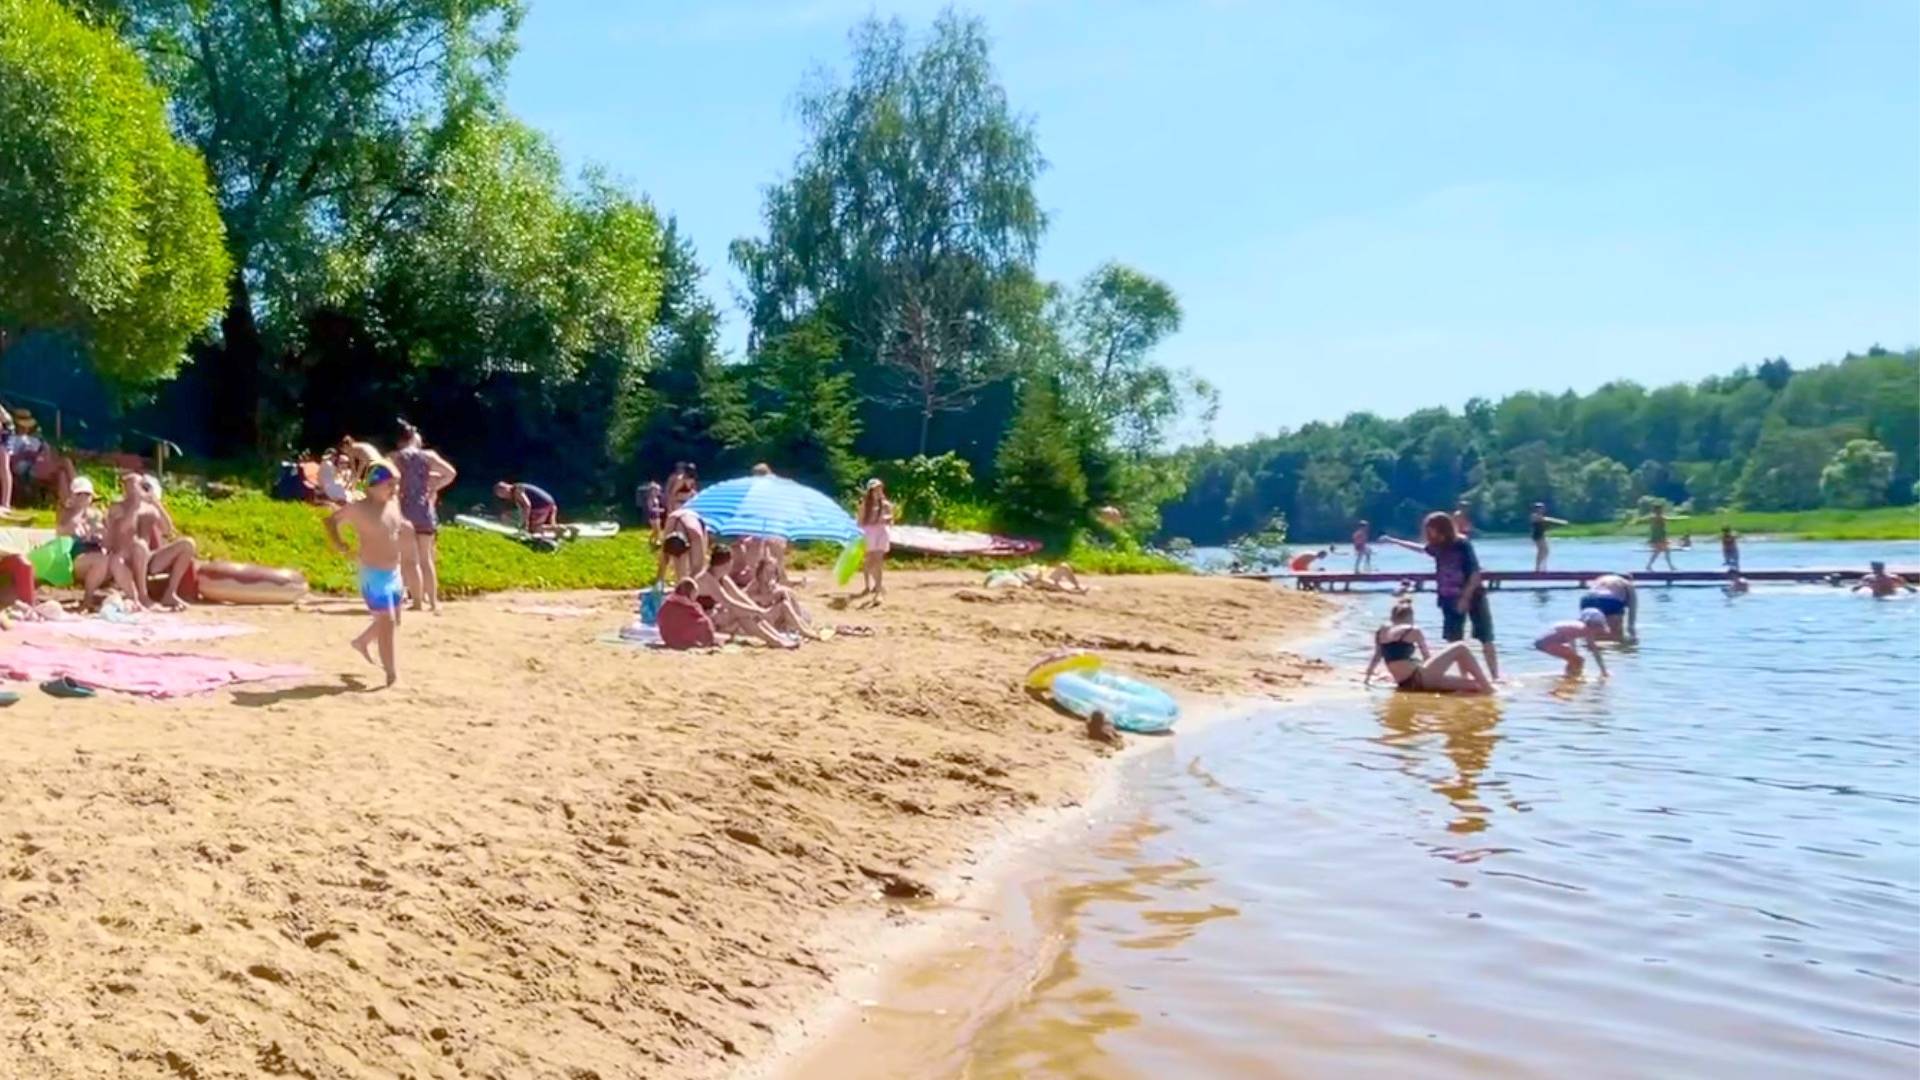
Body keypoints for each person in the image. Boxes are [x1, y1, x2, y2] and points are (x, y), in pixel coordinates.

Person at [1379, 511, 1498, 679]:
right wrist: (1393, 541)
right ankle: (1466, 678)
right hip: (1448, 598)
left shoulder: (1461, 544)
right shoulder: (1437, 547)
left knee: (1485, 636)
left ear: (1443, 528)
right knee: (1455, 641)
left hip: (1474, 596)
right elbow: (1420, 549)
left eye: (1431, 530)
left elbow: (1474, 574)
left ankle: (1495, 676)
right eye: (1427, 530)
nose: (1429, 534)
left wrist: (1465, 597)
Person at [326, 462, 409, 686]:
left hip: (394, 571)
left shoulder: (393, 503)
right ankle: (391, 674)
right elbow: (331, 520)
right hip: (373, 574)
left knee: (394, 619)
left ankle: (362, 642)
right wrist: (339, 542)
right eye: (389, 484)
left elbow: (394, 528)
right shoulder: (359, 509)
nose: (394, 489)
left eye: (397, 485)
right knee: (388, 622)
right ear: (372, 486)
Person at [1363, 597, 1494, 694]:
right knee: (1461, 647)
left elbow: (1377, 657)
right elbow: (1427, 657)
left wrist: (1367, 679)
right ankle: (1488, 688)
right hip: (1421, 678)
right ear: (1410, 616)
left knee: (1473, 686)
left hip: (1406, 684)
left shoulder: (1381, 632)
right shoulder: (1412, 630)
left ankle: (1468, 681)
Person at [392, 422, 457, 613]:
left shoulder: (395, 458)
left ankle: (418, 602)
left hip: (405, 510)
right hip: (424, 510)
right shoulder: (428, 456)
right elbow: (450, 473)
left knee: (409, 560)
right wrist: (433, 487)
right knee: (426, 558)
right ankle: (434, 602)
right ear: (414, 438)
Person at [690, 544, 798, 648]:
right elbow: (729, 603)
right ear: (727, 563)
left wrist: (757, 610)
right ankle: (775, 641)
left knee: (747, 612)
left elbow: (740, 596)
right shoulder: (707, 579)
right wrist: (759, 611)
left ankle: (777, 637)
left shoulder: (722, 577)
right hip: (700, 621)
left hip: (713, 616)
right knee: (741, 614)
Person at [128, 474, 197, 610]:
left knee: (187, 544)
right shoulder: (124, 506)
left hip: (150, 558)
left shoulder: (151, 508)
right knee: (140, 546)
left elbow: (167, 529)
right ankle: (143, 596)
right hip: (130, 556)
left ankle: (170, 593)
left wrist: (155, 502)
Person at [1533, 609, 1611, 678]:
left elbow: (1572, 646)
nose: (1598, 632)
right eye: (1599, 627)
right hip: (1547, 643)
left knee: (1576, 660)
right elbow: (1595, 651)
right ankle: (1571, 678)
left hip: (1541, 641)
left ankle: (1569, 677)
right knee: (1578, 660)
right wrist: (1604, 671)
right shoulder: (1585, 629)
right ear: (1594, 624)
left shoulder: (1578, 625)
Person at [856, 478, 893, 604]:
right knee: (869, 562)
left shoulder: (886, 504)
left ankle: (878, 591)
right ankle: (874, 586)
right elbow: (860, 522)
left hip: (881, 532)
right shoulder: (865, 505)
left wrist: (886, 521)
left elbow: (891, 520)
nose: (878, 491)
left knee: (878, 561)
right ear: (870, 491)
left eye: (879, 488)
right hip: (869, 533)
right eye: (875, 489)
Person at [656, 579, 717, 649]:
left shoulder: (667, 604)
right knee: (705, 622)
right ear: (691, 592)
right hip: (685, 641)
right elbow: (703, 622)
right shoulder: (690, 607)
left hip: (669, 640)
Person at [655, 506, 709, 583]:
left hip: (695, 520)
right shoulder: (669, 532)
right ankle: (680, 586)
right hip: (675, 518)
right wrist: (659, 582)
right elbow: (664, 559)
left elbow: (698, 568)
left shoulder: (696, 535)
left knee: (698, 569)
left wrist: (690, 583)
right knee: (680, 573)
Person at [1578, 573, 1638, 641]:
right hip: (1609, 601)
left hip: (1586, 600)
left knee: (1589, 631)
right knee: (1615, 636)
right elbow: (1633, 608)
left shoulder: (1600, 579)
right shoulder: (1627, 583)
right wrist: (1631, 629)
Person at [494, 480, 559, 534]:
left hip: (543, 505)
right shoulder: (517, 488)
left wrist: (525, 522)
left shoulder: (517, 490)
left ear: (505, 489)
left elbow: (527, 505)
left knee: (533, 528)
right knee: (550, 526)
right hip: (550, 503)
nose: (506, 497)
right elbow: (522, 509)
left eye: (504, 495)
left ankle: (562, 529)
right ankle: (560, 529)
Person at [1643, 504, 1687, 571]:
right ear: (1657, 510)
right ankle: (1670, 566)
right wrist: (1682, 518)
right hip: (1659, 538)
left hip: (1660, 537)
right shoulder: (1658, 517)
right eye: (1660, 510)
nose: (1661, 511)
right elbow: (1670, 519)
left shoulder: (1653, 517)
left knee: (1659, 552)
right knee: (1663, 551)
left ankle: (1650, 566)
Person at [1529, 503, 1569, 572]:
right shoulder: (1534, 515)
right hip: (1537, 535)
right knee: (1542, 551)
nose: (1542, 509)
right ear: (1536, 509)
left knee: (1546, 551)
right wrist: (1560, 522)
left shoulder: (1540, 516)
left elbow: (1546, 522)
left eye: (1542, 508)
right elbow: (1546, 520)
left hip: (1541, 534)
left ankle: (1543, 567)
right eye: (1540, 508)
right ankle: (1538, 568)